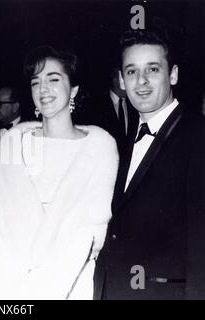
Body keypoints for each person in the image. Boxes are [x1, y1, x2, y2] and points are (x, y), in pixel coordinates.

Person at [0, 46, 118, 299]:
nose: (43, 90)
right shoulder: (11, 144)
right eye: (36, 82)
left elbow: (90, 230)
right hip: (7, 281)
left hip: (69, 283)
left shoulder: (98, 147)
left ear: (74, 88)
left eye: (53, 79)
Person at [94, 29, 205, 300]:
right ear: (121, 79)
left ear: (173, 74)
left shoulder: (198, 135)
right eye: (131, 72)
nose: (141, 81)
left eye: (153, 69)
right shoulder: (124, 138)